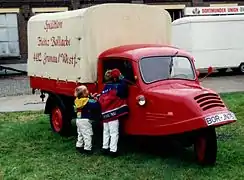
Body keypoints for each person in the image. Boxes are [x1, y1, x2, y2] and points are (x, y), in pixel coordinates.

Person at [98, 68, 129, 157]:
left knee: (106, 131)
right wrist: (122, 77)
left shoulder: (105, 88)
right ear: (115, 78)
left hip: (105, 114)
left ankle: (104, 147)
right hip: (113, 114)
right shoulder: (117, 88)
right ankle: (113, 150)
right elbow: (124, 88)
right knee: (114, 133)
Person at [74, 85, 100, 155]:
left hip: (78, 120)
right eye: (87, 90)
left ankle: (79, 145)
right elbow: (96, 106)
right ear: (84, 93)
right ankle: (87, 149)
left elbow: (86, 100)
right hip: (85, 120)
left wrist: (90, 98)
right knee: (87, 135)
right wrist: (95, 99)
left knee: (80, 133)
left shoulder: (77, 100)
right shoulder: (87, 102)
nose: (88, 91)